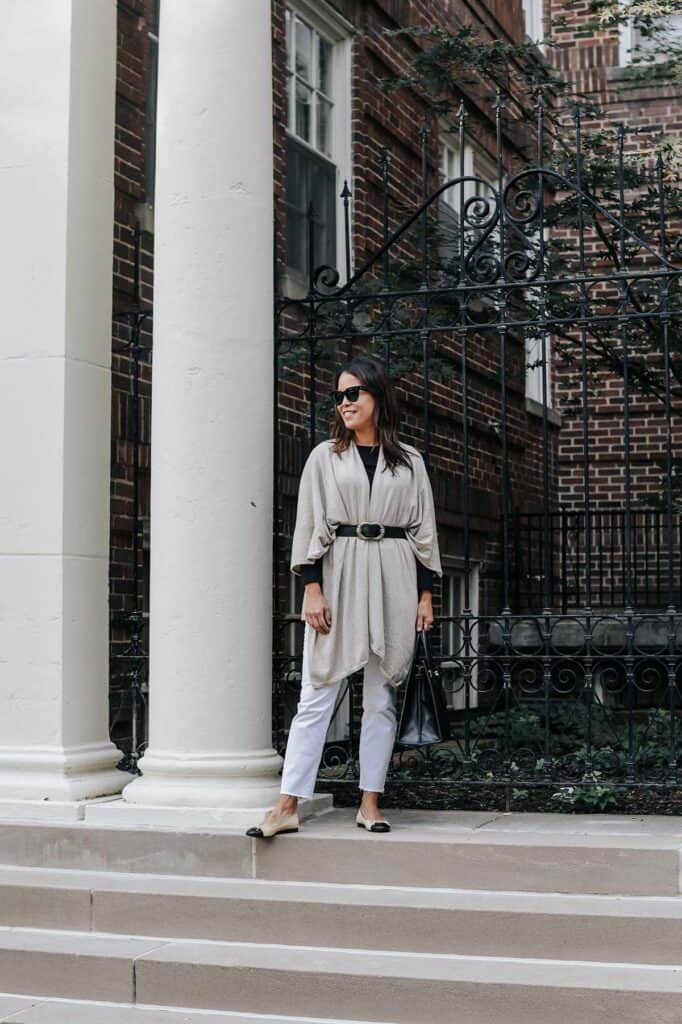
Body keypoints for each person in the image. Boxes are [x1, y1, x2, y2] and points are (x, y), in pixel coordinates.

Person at [246, 355, 442, 838]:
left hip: (396, 575)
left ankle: (370, 802)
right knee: (316, 693)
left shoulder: (410, 461)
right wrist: (311, 588)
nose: (345, 403)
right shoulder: (325, 457)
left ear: (378, 396)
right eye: (339, 396)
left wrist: (425, 595)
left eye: (353, 393)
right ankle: (287, 802)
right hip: (339, 574)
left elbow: (424, 533)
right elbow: (309, 523)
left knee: (380, 699)